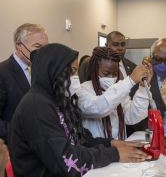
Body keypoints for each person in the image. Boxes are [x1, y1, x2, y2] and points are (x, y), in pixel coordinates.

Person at [8, 43, 150, 177]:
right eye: (71, 72)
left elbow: (79, 138)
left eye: (76, 72)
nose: (75, 78)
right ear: (53, 71)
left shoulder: (56, 100)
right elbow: (65, 160)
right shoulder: (36, 106)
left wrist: (110, 143)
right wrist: (113, 154)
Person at [76, 47, 151, 139]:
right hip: (96, 150)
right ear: (94, 70)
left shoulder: (119, 90)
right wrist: (130, 81)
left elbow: (133, 116)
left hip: (120, 148)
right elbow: (100, 107)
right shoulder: (82, 90)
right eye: (106, 73)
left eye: (115, 74)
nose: (111, 78)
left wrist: (143, 88)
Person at [0, 23, 48, 142]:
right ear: (19, 46)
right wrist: (20, 134)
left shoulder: (41, 71)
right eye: (37, 46)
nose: (42, 53)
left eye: (45, 48)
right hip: (17, 149)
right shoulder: (2, 72)